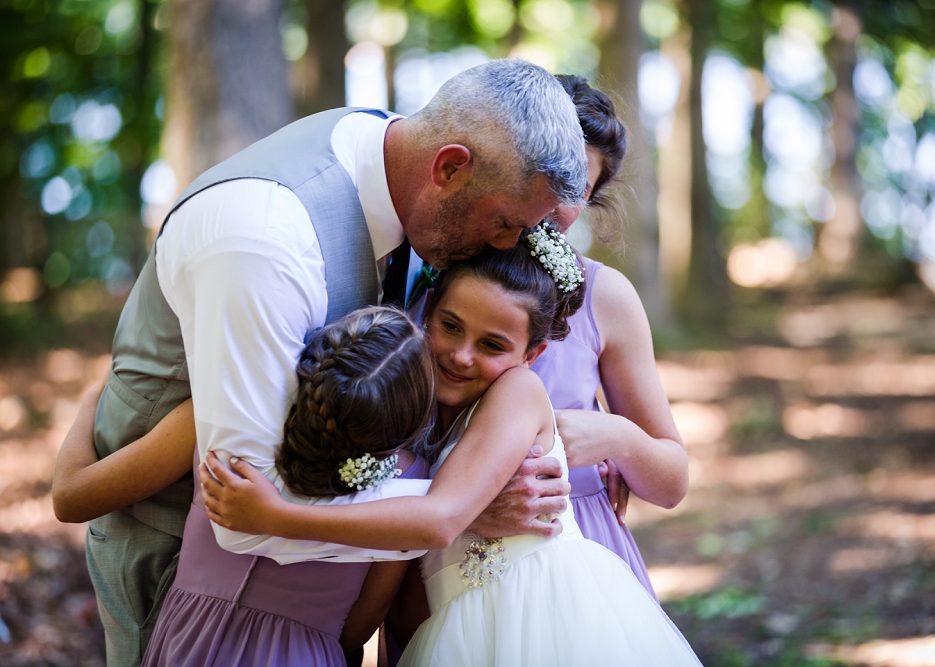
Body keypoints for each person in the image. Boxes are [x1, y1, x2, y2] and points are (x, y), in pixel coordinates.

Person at [80, 58, 587, 667]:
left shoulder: (397, 177)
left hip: (318, 618)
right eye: (505, 223)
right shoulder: (264, 240)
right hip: (184, 579)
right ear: (449, 167)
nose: (510, 247)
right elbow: (248, 514)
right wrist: (462, 506)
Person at [199, 231, 702, 666]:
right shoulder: (411, 436)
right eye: (451, 326)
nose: (461, 356)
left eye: (492, 345)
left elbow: (439, 520)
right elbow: (394, 598)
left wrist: (277, 518)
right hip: (456, 629)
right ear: (428, 310)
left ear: (532, 354)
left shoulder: (518, 393)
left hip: (546, 619)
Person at [55, 308, 436, 666]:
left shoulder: (223, 425)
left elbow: (72, 497)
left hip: (188, 643)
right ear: (411, 421)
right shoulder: (411, 488)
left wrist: (93, 396)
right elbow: (358, 629)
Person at [533, 75, 689, 595]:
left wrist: (618, 438)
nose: (553, 199)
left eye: (575, 187)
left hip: (582, 558)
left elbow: (670, 482)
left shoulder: (606, 296)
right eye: (545, 170)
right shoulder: (424, 273)